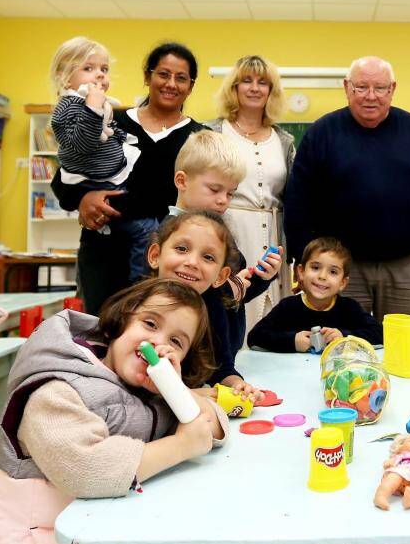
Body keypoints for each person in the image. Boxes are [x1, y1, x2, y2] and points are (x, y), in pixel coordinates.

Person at [0, 278, 273, 544]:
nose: (160, 343)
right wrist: (181, 445)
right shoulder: (55, 388)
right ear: (121, 321)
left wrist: (176, 392)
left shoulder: (148, 388)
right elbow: (89, 470)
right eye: (151, 324)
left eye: (176, 342)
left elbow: (213, 426)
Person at [283, 56, 410, 318]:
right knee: (343, 343)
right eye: (361, 87)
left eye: (380, 88)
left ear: (392, 89)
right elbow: (299, 200)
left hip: (405, 265)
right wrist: (302, 257)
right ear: (347, 87)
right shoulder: (321, 133)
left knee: (402, 343)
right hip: (339, 266)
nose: (370, 96)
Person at [52, 42, 206, 315]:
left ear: (191, 86)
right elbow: (65, 175)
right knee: (101, 335)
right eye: (163, 74)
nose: (171, 84)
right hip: (104, 252)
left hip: (166, 262)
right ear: (147, 77)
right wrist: (83, 198)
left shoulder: (199, 137)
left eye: (181, 78)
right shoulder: (110, 121)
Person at [166, 130, 284, 351]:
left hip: (225, 358)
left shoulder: (221, 235)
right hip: (191, 358)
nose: (223, 201)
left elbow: (235, 297)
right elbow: (179, 294)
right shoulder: (168, 236)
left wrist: (261, 278)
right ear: (182, 181)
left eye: (231, 194)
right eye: (214, 189)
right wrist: (230, 289)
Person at [205, 55, 297, 337]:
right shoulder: (215, 132)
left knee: (271, 312)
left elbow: (292, 196)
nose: (255, 88)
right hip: (229, 228)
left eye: (262, 82)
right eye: (247, 81)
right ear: (234, 87)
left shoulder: (284, 140)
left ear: (272, 91)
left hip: (272, 232)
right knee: (230, 301)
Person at [48, 36, 146, 281]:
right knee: (145, 231)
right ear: (64, 77)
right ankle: (140, 284)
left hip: (114, 181)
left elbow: (110, 132)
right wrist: (93, 107)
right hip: (101, 189)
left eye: (104, 69)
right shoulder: (71, 107)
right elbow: (82, 144)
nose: (100, 75)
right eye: (89, 68)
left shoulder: (101, 106)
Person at [147, 210, 262, 397]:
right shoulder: (137, 305)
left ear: (220, 277)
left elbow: (221, 368)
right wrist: (196, 395)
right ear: (155, 255)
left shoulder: (213, 308)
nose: (192, 262)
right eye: (182, 249)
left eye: (208, 257)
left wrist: (237, 385)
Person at [247, 237, 383, 352]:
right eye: (315, 268)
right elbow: (254, 337)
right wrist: (293, 341)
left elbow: (380, 334)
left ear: (343, 282)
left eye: (333, 272)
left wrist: (344, 336)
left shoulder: (349, 308)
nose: (322, 276)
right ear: (301, 272)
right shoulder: (288, 307)